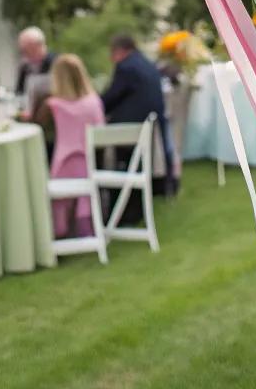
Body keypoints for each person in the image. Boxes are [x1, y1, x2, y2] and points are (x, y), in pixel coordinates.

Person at [39, 54, 104, 238]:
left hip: (64, 165)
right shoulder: (94, 102)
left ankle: (58, 230)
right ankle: (85, 225)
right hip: (89, 165)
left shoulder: (54, 105)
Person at [101, 33, 175, 195]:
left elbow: (113, 95)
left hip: (134, 123)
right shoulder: (146, 63)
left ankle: (118, 189)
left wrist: (97, 107)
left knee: (106, 137)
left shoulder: (125, 67)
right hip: (154, 119)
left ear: (120, 51)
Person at [14, 25, 56, 101]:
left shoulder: (56, 62)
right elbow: (19, 93)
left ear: (38, 45)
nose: (24, 54)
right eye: (22, 50)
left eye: (26, 50)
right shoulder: (25, 67)